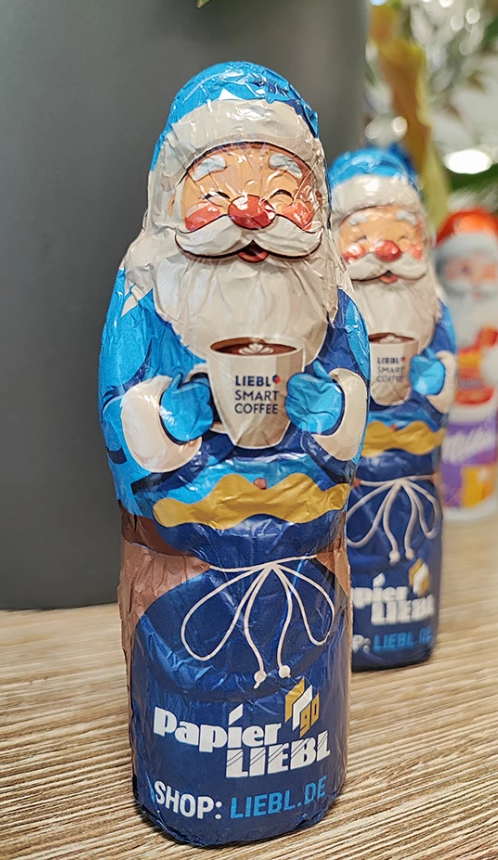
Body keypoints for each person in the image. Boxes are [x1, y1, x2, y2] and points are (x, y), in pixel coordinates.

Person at [99, 62, 370, 845]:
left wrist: (334, 412)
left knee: (302, 687)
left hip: (306, 551)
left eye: (282, 192)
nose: (251, 212)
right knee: (185, 689)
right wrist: (169, 419)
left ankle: (303, 772)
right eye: (216, 191)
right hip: (184, 559)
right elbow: (121, 412)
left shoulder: (329, 288)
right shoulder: (146, 288)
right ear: (171, 195)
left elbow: (355, 397)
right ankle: (188, 785)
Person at [329, 147, 456, 669]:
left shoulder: (432, 308)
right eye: (360, 237)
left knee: (409, 571)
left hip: (413, 476)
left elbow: (446, 370)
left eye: (402, 235)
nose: (384, 250)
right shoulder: (327, 308)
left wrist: (437, 382)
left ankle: (405, 629)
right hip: (350, 483)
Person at [433, 208, 498, 516]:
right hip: (447, 417)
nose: (477, 283)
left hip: (484, 417)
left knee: (480, 461)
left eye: (487, 271)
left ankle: (479, 498)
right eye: (464, 270)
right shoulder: (436, 311)